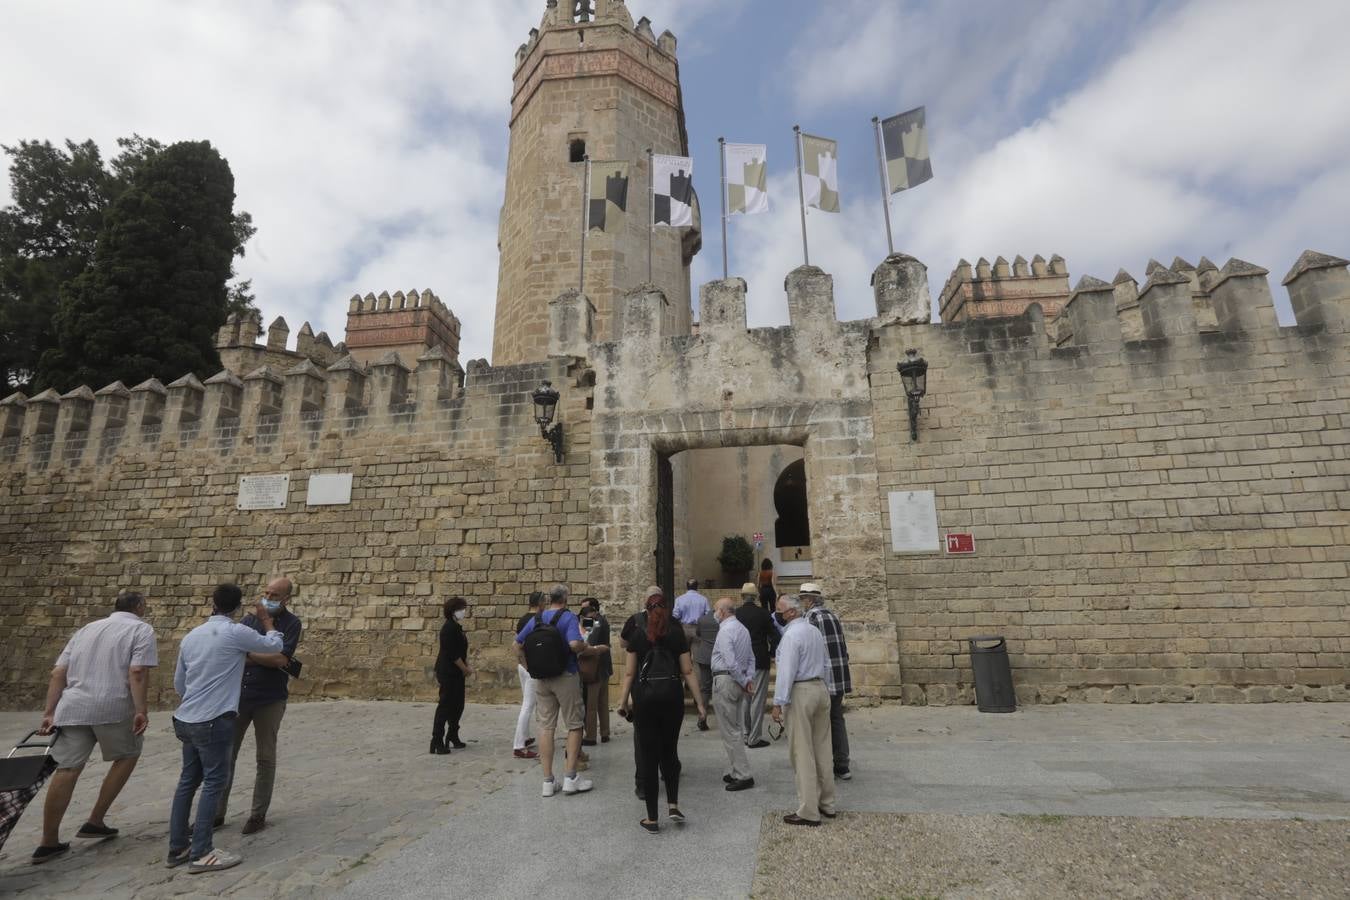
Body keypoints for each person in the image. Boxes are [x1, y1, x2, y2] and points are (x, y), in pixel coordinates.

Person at [31, 590, 157, 864]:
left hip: (74, 707)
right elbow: (137, 672)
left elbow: (58, 672)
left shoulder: (86, 630)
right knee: (127, 755)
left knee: (66, 770)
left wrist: (49, 712)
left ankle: (48, 841)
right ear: (138, 606)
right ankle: (96, 819)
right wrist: (140, 710)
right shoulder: (140, 629)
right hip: (113, 707)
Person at [168, 583, 283, 873]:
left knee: (186, 783)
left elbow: (179, 683)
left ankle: (178, 846)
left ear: (213, 603)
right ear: (236, 607)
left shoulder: (192, 636)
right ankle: (202, 852)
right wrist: (267, 621)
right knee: (213, 783)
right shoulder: (236, 632)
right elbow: (275, 646)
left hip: (187, 718)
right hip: (215, 719)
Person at [618, 587, 706, 834]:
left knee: (648, 756)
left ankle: (652, 817)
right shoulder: (677, 633)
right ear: (666, 609)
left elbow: (629, 673)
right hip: (672, 698)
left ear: (647, 609)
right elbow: (688, 671)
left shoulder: (638, 635)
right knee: (669, 751)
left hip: (645, 699)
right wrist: (700, 703)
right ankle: (674, 804)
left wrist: (623, 702)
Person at [218, 576, 302, 836]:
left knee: (265, 757)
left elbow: (280, 658)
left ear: (287, 598)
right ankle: (216, 813)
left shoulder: (291, 623)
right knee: (226, 756)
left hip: (270, 697)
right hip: (241, 695)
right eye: (267, 592)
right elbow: (244, 654)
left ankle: (257, 814)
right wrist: (264, 656)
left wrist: (251, 655)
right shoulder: (248, 621)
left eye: (275, 595)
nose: (269, 597)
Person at [515, 584, 604, 797]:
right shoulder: (568, 617)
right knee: (574, 725)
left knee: (545, 727)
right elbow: (574, 643)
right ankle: (570, 777)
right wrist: (585, 647)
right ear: (565, 598)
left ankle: (547, 781)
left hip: (541, 678)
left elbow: (517, 645)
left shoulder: (538, 618)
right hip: (565, 675)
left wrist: (529, 667)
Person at [771, 594, 835, 827]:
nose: (778, 613)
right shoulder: (814, 632)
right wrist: (825, 688)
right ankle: (827, 802)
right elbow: (826, 663)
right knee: (823, 747)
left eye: (780, 609)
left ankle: (808, 809)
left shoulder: (791, 635)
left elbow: (786, 671)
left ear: (791, 612)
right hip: (819, 688)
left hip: (802, 690)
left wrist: (778, 702)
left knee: (802, 751)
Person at [801, 582, 852, 780]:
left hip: (823, 677)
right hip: (839, 675)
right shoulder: (833, 615)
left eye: (803, 598)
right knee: (837, 718)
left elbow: (808, 647)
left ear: (810, 600)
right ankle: (842, 764)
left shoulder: (810, 617)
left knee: (820, 722)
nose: (802, 602)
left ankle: (821, 765)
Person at [710, 597, 756, 791]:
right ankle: (737, 770)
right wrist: (748, 679)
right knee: (735, 727)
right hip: (737, 681)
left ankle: (743, 774)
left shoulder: (725, 631)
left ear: (723, 611)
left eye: (715, 610)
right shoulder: (743, 629)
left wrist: (745, 680)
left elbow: (730, 661)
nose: (714, 613)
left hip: (727, 681)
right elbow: (751, 657)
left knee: (731, 730)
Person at [735, 582, 774, 749]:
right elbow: (775, 636)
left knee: (745, 698)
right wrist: (772, 653)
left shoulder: (736, 614)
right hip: (759, 659)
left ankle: (745, 733)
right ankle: (754, 737)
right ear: (756, 597)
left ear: (742, 596)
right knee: (757, 699)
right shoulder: (763, 614)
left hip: (741, 661)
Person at [432, 597, 473, 754]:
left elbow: (461, 651)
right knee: (445, 706)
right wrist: (465, 669)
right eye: (461, 608)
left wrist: (466, 665)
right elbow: (452, 654)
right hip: (448, 672)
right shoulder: (448, 628)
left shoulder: (457, 627)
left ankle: (453, 735)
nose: (464, 611)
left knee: (458, 705)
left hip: (457, 672)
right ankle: (437, 740)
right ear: (453, 610)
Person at [511, 592, 542, 759]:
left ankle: (525, 737)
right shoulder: (536, 620)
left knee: (527, 703)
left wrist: (522, 663)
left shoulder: (522, 619)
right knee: (528, 706)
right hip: (530, 667)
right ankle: (519, 746)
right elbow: (518, 645)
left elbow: (519, 642)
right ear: (540, 603)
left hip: (522, 667)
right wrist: (527, 665)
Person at [579, 598, 611, 747]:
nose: (583, 612)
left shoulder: (595, 622)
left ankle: (591, 736)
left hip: (595, 668)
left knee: (591, 704)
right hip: (604, 667)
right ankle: (605, 733)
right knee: (603, 703)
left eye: (585, 609)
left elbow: (587, 642)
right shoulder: (602, 620)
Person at [691, 602, 719, 729]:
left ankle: (702, 717)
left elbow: (698, 634)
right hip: (719, 657)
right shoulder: (721, 620)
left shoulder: (702, 619)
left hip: (705, 657)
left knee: (705, 688)